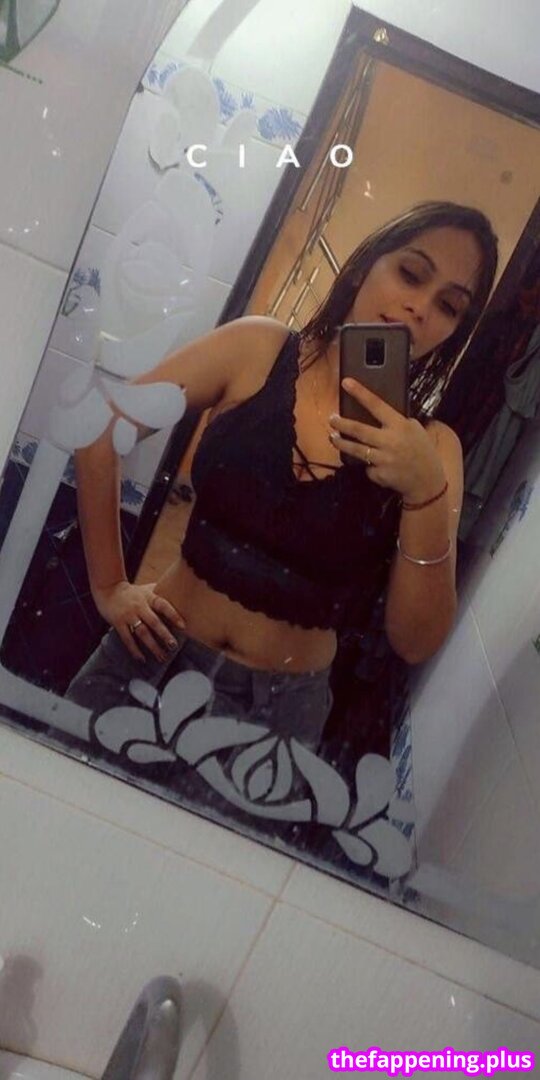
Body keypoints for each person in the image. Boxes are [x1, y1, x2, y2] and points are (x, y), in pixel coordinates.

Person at [66, 201, 498, 753]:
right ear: (365, 266)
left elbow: (415, 641)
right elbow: (102, 431)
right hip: (150, 654)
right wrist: (110, 586)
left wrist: (423, 492)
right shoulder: (256, 349)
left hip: (277, 719)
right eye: (411, 274)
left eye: (449, 306)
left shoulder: (434, 450)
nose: (420, 307)